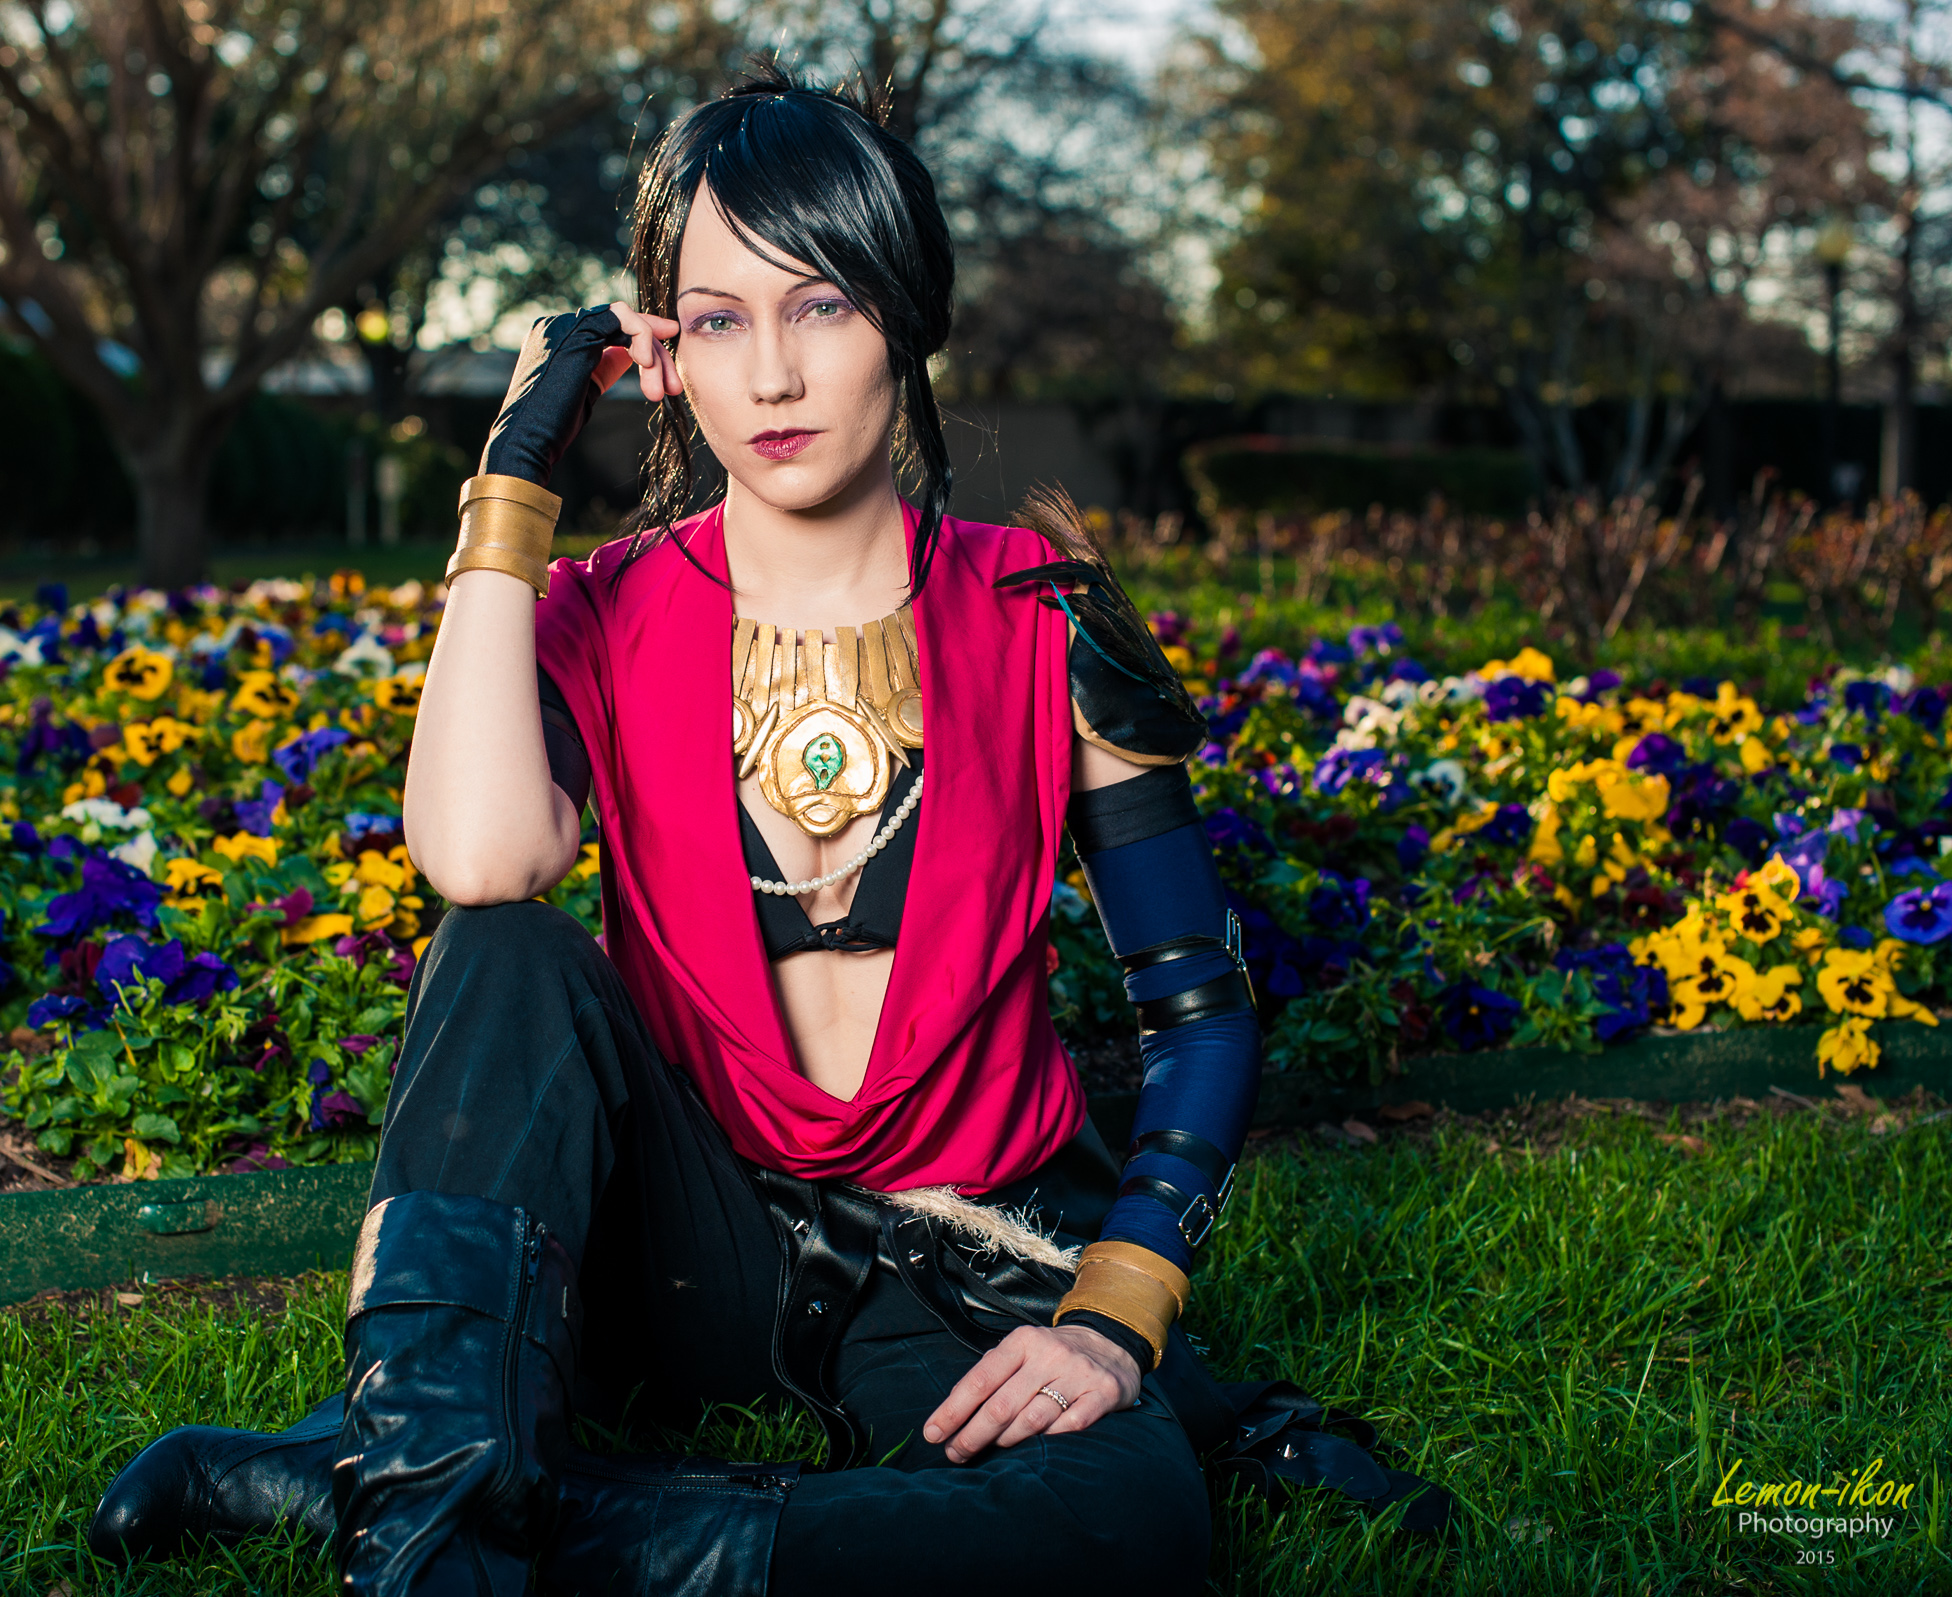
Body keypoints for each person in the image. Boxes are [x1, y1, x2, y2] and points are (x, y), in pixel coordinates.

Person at [88, 64, 1437, 1596]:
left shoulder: (1042, 615)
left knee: (1130, 1517)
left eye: (823, 306)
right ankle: (436, 1547)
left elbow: (1197, 1008)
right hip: (680, 1244)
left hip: (952, 1250)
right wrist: (515, 471)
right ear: (666, 351)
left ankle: (456, 1488)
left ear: (906, 313)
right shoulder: (602, 606)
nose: (777, 375)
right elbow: (480, 859)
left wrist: (1118, 1307)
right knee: (503, 947)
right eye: (721, 320)